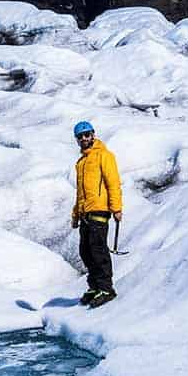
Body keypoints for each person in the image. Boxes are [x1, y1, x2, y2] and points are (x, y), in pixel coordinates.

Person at [70, 121, 122, 308]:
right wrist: (76, 215)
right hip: (85, 212)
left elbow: (113, 182)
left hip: (100, 209)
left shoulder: (104, 156)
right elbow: (80, 192)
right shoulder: (81, 162)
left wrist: (116, 208)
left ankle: (106, 289)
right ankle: (94, 287)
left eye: (87, 135)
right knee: (86, 251)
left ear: (93, 135)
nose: (84, 138)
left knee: (98, 250)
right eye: (80, 136)